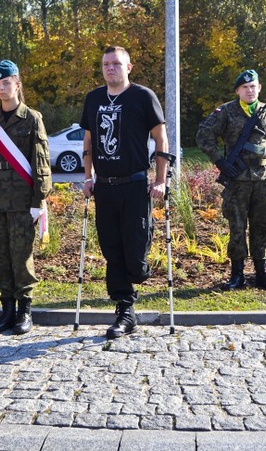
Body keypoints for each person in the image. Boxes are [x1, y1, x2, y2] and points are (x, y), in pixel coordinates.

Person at [80, 45, 169, 339]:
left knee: (135, 253)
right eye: (106, 64)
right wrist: (87, 177)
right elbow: (89, 141)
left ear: (128, 67)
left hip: (134, 184)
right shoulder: (93, 99)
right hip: (105, 187)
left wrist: (160, 180)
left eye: (116, 64)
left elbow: (160, 139)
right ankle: (125, 310)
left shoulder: (143, 97)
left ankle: (138, 273)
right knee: (111, 249)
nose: (110, 69)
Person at [0, 60, 52, 335]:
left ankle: (25, 311)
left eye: (6, 82)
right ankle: (6, 309)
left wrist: (38, 200)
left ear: (17, 84)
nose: (1, 88)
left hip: (21, 200)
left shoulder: (32, 118)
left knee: (21, 255)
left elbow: (40, 161)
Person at [196, 69, 266, 291]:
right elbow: (203, 135)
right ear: (238, 90)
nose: (250, 90)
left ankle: (262, 274)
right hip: (237, 181)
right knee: (237, 227)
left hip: (263, 181)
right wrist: (219, 161)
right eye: (245, 87)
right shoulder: (226, 112)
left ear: (260, 88)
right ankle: (237, 275)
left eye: (253, 86)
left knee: (263, 227)